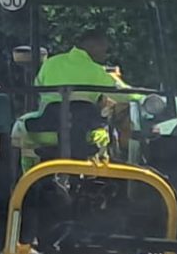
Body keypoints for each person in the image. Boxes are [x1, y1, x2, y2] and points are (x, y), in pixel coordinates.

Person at [14, 30, 133, 162]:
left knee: (20, 125)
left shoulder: (50, 64)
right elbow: (124, 95)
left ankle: (24, 175)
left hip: (46, 131)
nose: (105, 55)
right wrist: (146, 98)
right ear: (92, 47)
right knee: (105, 133)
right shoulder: (96, 71)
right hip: (85, 133)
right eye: (104, 50)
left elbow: (37, 89)